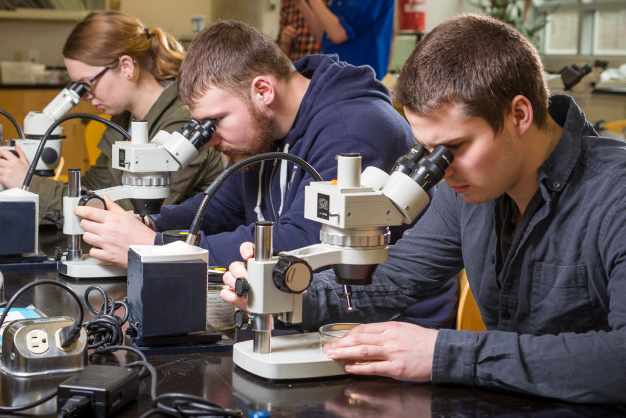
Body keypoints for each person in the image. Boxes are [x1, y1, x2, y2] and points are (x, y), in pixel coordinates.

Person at [221, 13, 626, 407]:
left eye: (453, 147)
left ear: (519, 115)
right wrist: (284, 295)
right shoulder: (469, 188)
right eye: (428, 151)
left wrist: (443, 353)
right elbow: (395, 280)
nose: (442, 170)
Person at [75, 19, 457, 329]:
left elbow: (305, 239)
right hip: (307, 309)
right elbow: (220, 207)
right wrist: (142, 222)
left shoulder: (356, 126)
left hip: (389, 323)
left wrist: (158, 248)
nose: (207, 140)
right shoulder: (264, 134)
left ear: (262, 90)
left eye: (215, 121)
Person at [0, 10, 226, 218]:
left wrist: (30, 185)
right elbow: (93, 188)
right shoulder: (124, 119)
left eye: (87, 83)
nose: (84, 97)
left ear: (126, 67)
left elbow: (134, 210)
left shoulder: (183, 122)